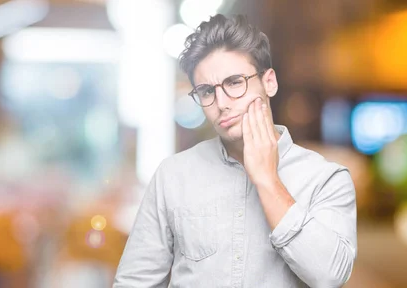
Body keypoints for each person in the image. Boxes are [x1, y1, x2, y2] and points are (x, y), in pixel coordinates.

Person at [113, 14, 357, 288]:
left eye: (234, 82)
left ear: (269, 83)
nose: (221, 103)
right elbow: (134, 282)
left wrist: (267, 179)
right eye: (206, 91)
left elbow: (330, 276)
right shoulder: (173, 175)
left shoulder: (325, 179)